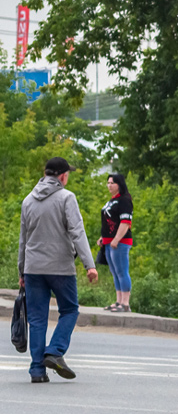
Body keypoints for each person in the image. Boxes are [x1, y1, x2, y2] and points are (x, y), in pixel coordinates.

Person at [17, 157, 99, 383]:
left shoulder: (28, 201)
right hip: (61, 268)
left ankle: (37, 370)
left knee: (37, 319)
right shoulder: (66, 197)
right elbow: (77, 232)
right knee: (70, 310)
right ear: (62, 176)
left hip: (33, 268)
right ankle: (54, 351)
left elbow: (23, 240)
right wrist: (89, 265)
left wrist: (21, 272)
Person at [100, 172, 134, 312]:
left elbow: (125, 222)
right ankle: (118, 300)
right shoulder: (112, 200)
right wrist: (104, 237)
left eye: (112, 183)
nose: (109, 185)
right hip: (109, 241)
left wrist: (116, 239)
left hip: (120, 241)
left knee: (122, 271)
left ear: (119, 184)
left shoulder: (124, 200)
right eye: (108, 183)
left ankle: (125, 303)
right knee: (115, 271)